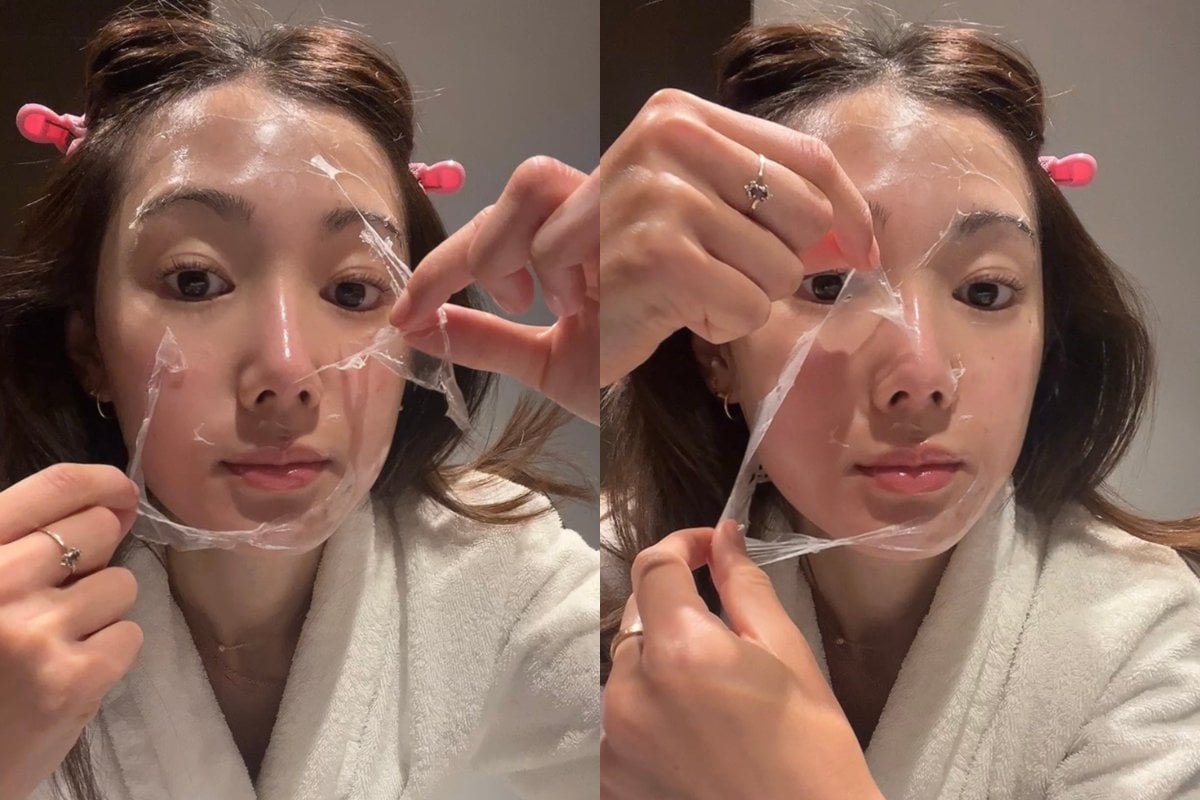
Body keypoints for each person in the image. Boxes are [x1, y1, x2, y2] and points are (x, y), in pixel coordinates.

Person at [0, 5, 599, 800]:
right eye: (194, 281)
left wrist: (641, 383)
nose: (286, 370)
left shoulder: (505, 585)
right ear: (88, 347)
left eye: (353, 290)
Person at [592, 21, 1200, 800]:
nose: (920, 377)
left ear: (1049, 340)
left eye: (986, 291)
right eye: (827, 286)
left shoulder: (1143, 636)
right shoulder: (598, 585)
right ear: (716, 353)